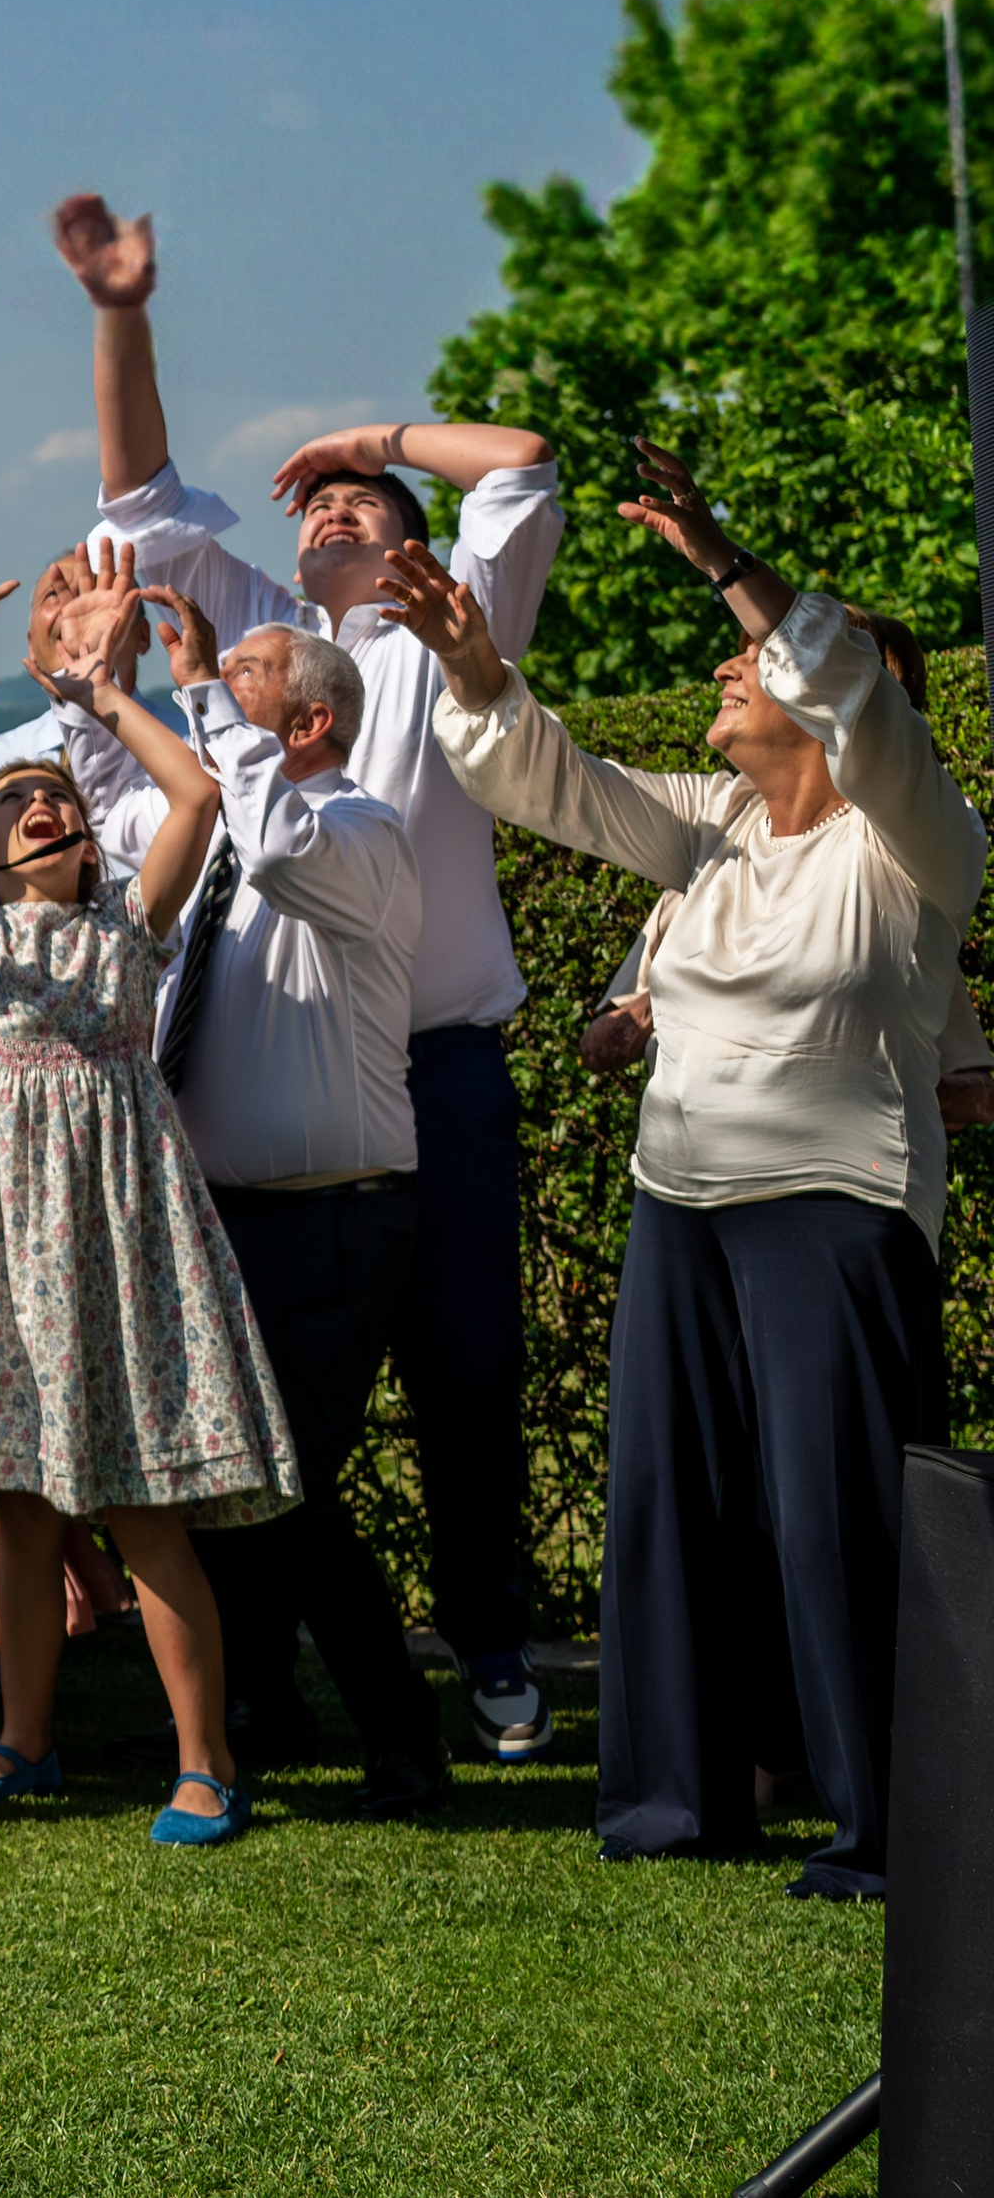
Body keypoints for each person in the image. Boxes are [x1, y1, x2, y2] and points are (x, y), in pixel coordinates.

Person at [384, 444, 989, 1900]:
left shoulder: (915, 839)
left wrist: (723, 558)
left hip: (838, 1206)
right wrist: (470, 667)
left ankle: (881, 1825)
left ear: (841, 704)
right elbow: (555, 782)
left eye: (751, 660)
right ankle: (675, 1801)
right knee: (668, 1507)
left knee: (835, 1519)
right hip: (680, 1208)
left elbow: (847, 680)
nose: (726, 668)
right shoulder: (707, 829)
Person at [53, 188, 563, 1762]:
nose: (330, 514)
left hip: (436, 1062)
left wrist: (372, 436)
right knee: (258, 1396)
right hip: (259, 1078)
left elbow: (523, 462)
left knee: (466, 1371)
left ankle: (491, 1641)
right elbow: (137, 495)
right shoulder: (266, 643)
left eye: (359, 508)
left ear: (411, 548)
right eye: (314, 505)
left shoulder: (443, 629)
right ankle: (261, 1684)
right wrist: (121, 310)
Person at [0, 531, 298, 1840]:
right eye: (13, 804)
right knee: (18, 1509)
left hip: (117, 1235)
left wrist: (97, 693)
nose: (37, 807)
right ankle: (24, 1741)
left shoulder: (127, 925)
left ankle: (203, 1760)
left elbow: (194, 797)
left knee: (137, 1503)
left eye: (51, 798)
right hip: (0, 1243)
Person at [63, 574, 439, 1812]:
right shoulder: (223, 835)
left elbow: (276, 845)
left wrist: (195, 696)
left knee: (292, 1480)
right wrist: (100, 684)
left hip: (336, 1212)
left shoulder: (360, 832)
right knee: (222, 1472)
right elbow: (107, 813)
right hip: (219, 1213)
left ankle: (402, 1737)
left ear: (308, 723)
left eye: (242, 681)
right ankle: (255, 1704)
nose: (214, 690)